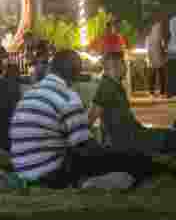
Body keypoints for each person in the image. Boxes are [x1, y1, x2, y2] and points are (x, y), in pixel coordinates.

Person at [10, 50, 155, 189]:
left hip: (22, 171)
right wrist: (107, 154)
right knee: (133, 159)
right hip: (50, 174)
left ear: (51, 68)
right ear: (76, 74)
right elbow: (83, 146)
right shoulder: (67, 97)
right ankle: (96, 183)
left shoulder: (30, 94)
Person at [90, 53, 176, 159]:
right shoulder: (106, 87)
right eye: (124, 64)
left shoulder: (114, 86)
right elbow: (92, 116)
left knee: (174, 135)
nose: (126, 68)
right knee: (174, 139)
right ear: (116, 66)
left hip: (137, 136)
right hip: (132, 141)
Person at [146, 15, 168, 98]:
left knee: (160, 74)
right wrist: (149, 57)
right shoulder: (150, 37)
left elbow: (162, 46)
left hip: (158, 57)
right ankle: (153, 91)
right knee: (154, 74)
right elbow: (149, 48)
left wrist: (163, 53)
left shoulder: (156, 37)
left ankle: (161, 91)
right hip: (154, 57)